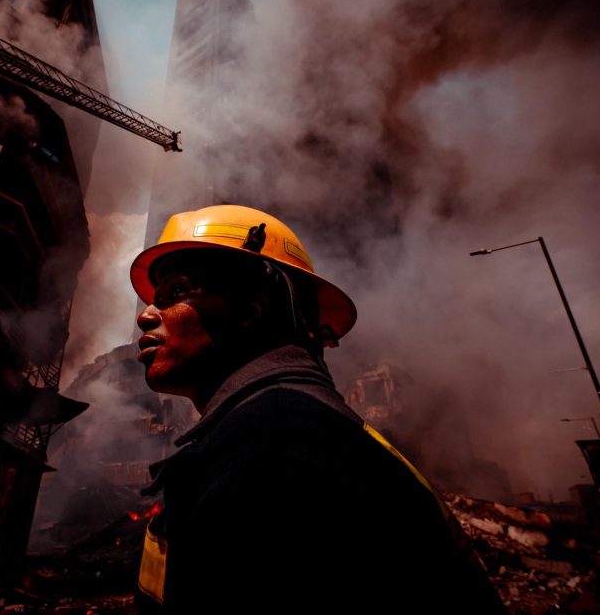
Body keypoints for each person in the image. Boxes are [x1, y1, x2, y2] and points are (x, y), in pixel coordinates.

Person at [130, 205, 506, 614]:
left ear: (250, 311)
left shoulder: (274, 455)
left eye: (175, 293)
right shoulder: (296, 429)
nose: (146, 315)